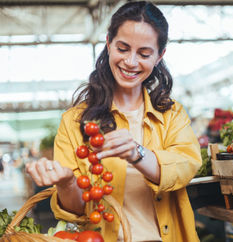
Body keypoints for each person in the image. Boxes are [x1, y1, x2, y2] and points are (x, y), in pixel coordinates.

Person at [25, 1, 202, 241]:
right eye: (123, 48)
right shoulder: (74, 121)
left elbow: (186, 167)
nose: (130, 62)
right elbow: (77, 211)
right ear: (108, 43)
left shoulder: (171, 115)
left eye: (144, 53)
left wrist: (136, 153)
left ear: (160, 56)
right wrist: (66, 183)